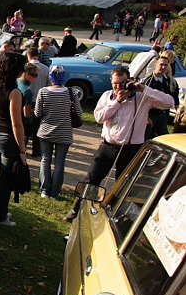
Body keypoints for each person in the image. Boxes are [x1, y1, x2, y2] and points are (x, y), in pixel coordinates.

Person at [63, 67, 175, 222]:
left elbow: (169, 102)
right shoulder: (107, 96)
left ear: (129, 80)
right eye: (115, 84)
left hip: (131, 148)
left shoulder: (142, 97)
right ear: (111, 82)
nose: (118, 87)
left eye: (122, 83)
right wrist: (117, 102)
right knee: (92, 178)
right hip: (108, 146)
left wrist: (144, 88)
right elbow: (99, 117)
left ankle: (115, 215)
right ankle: (76, 209)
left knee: (122, 184)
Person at [0, 52, 28, 226]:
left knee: (3, 175)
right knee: (6, 178)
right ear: (15, 70)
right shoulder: (14, 92)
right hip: (8, 138)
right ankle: (0, 215)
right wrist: (23, 151)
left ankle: (0, 210)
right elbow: (17, 124)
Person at [34, 65, 80, 200]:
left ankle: (44, 190)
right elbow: (79, 112)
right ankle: (54, 192)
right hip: (64, 132)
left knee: (45, 160)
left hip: (46, 131)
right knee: (60, 162)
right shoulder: (71, 92)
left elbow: (37, 113)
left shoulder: (43, 91)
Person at [142, 56, 180, 139]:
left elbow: (175, 97)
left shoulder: (169, 81)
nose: (163, 67)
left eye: (166, 65)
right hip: (150, 115)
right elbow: (142, 101)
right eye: (161, 64)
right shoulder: (148, 82)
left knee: (162, 138)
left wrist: (178, 112)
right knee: (146, 138)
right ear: (155, 65)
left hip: (163, 115)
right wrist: (146, 117)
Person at [26, 48, 50, 157]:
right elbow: (49, 85)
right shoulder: (46, 69)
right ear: (38, 56)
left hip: (26, 99)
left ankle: (22, 146)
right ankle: (36, 150)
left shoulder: (25, 68)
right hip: (40, 100)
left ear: (28, 55)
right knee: (37, 127)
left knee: (25, 125)